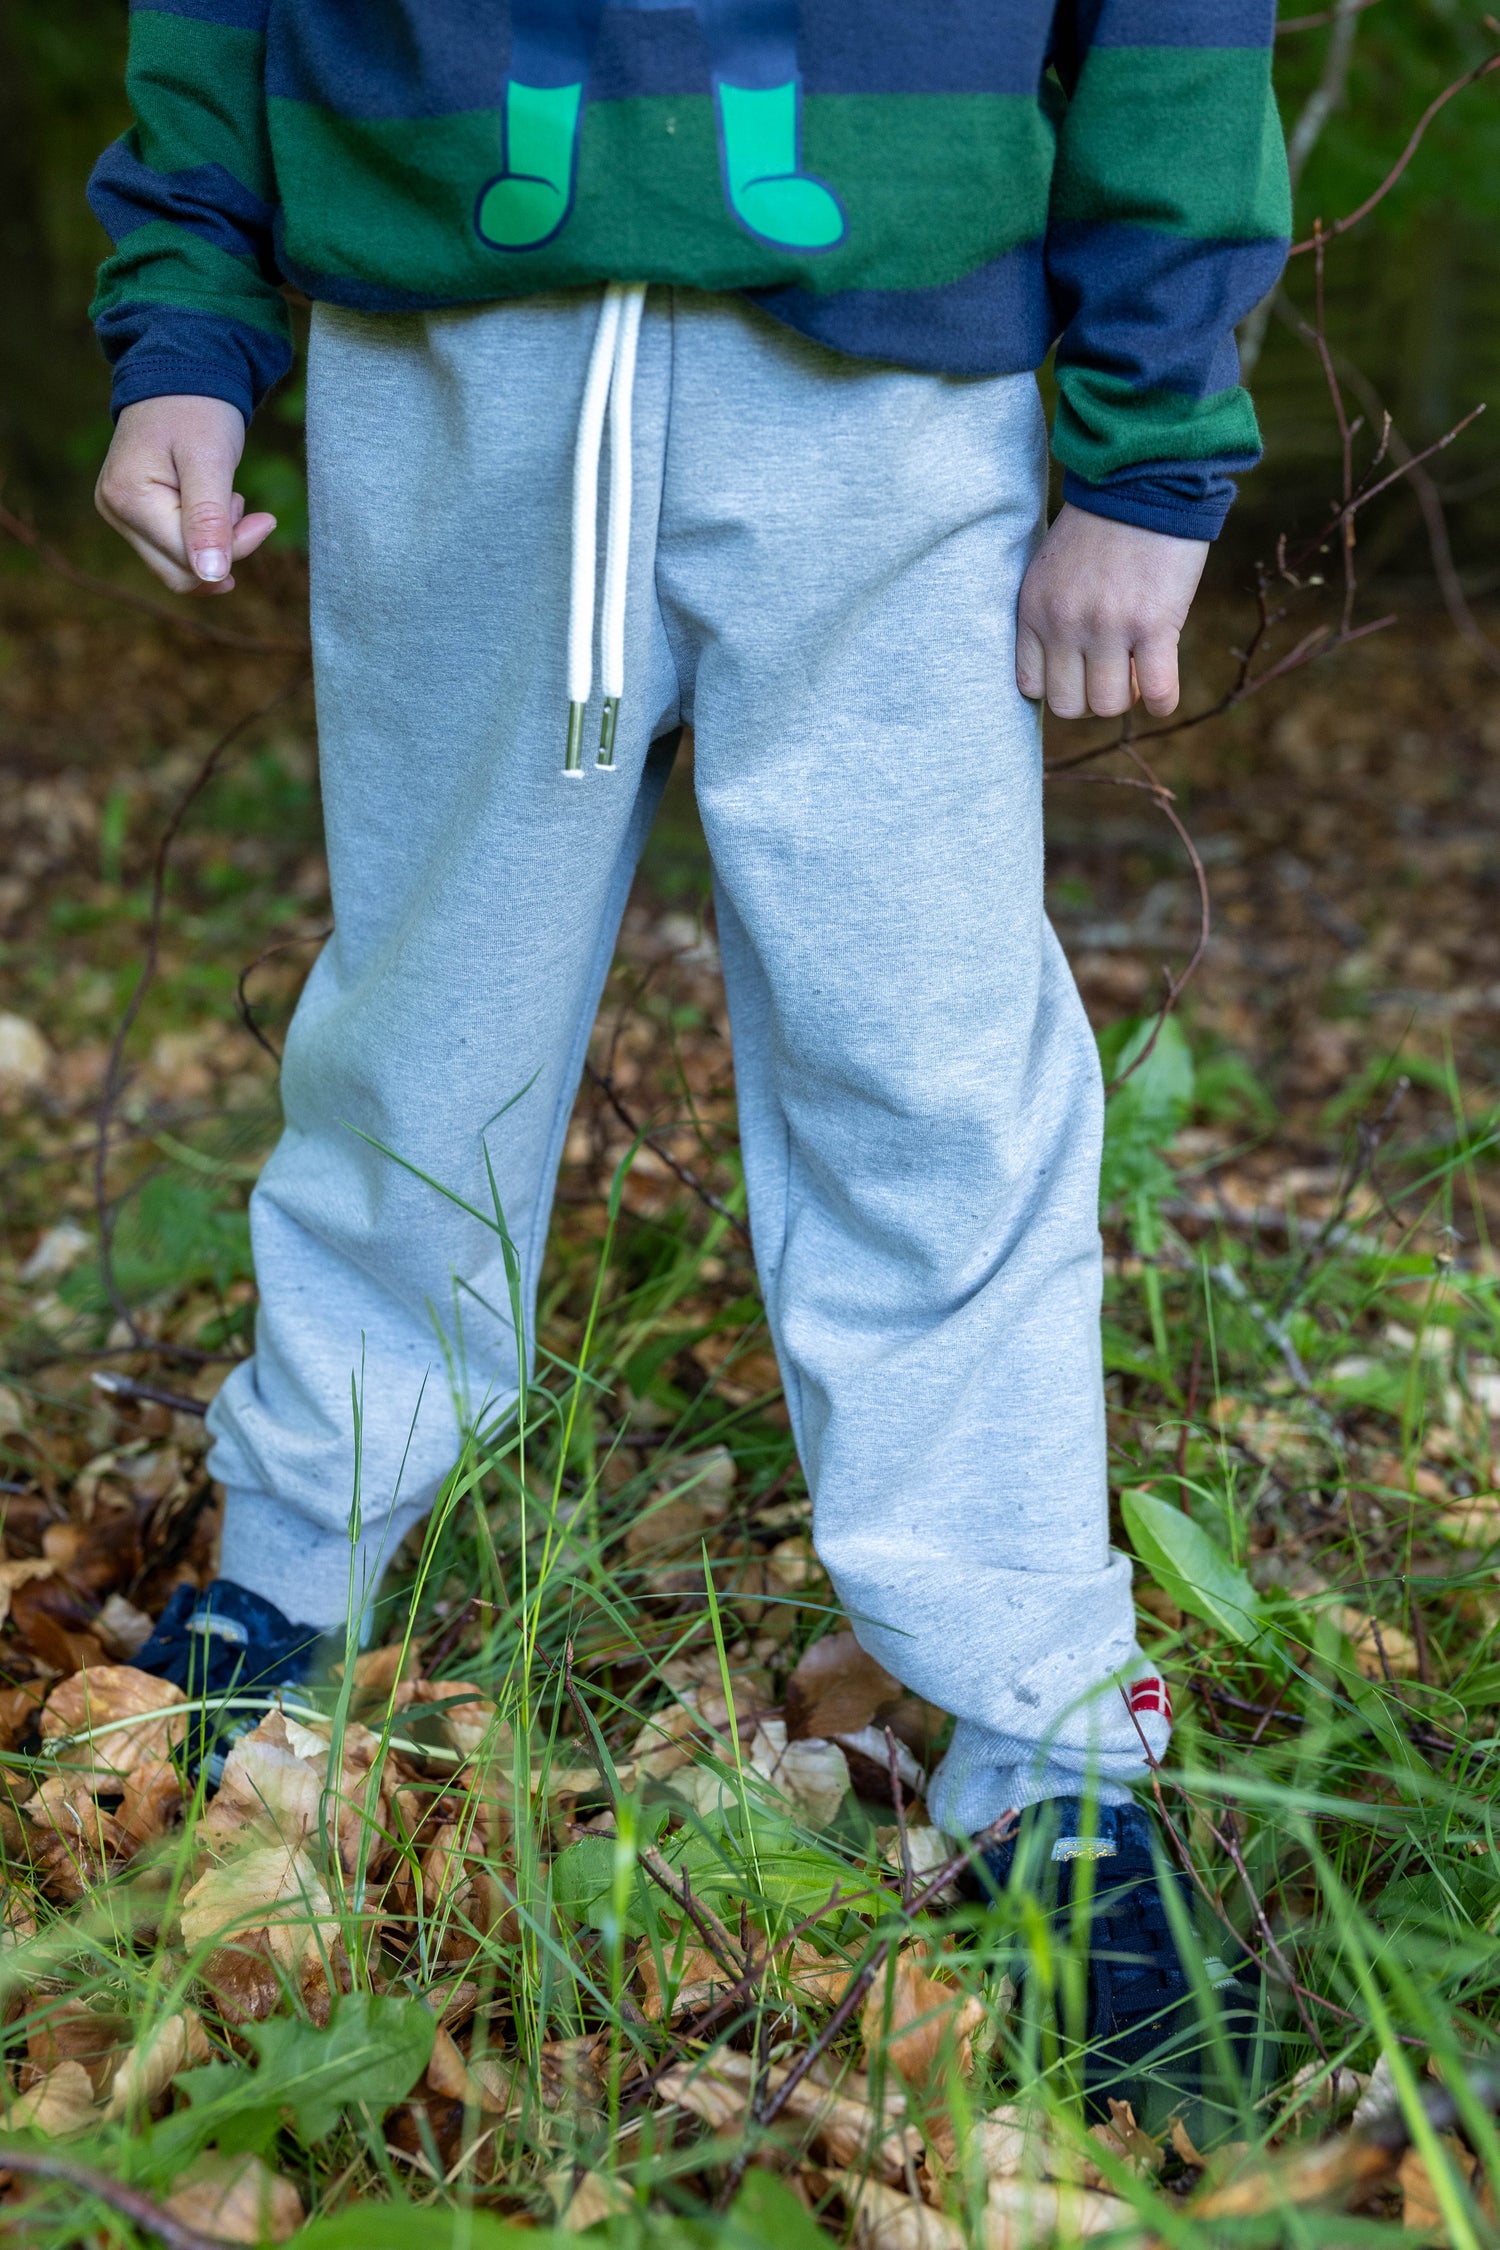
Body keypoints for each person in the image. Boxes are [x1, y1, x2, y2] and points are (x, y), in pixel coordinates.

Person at [89, 0, 1287, 2091]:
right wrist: (187, 307)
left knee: (926, 1055)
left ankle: (1043, 1743)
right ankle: (284, 1590)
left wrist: (1155, 431)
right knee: (418, 1018)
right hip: (450, 347)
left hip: (902, 374)